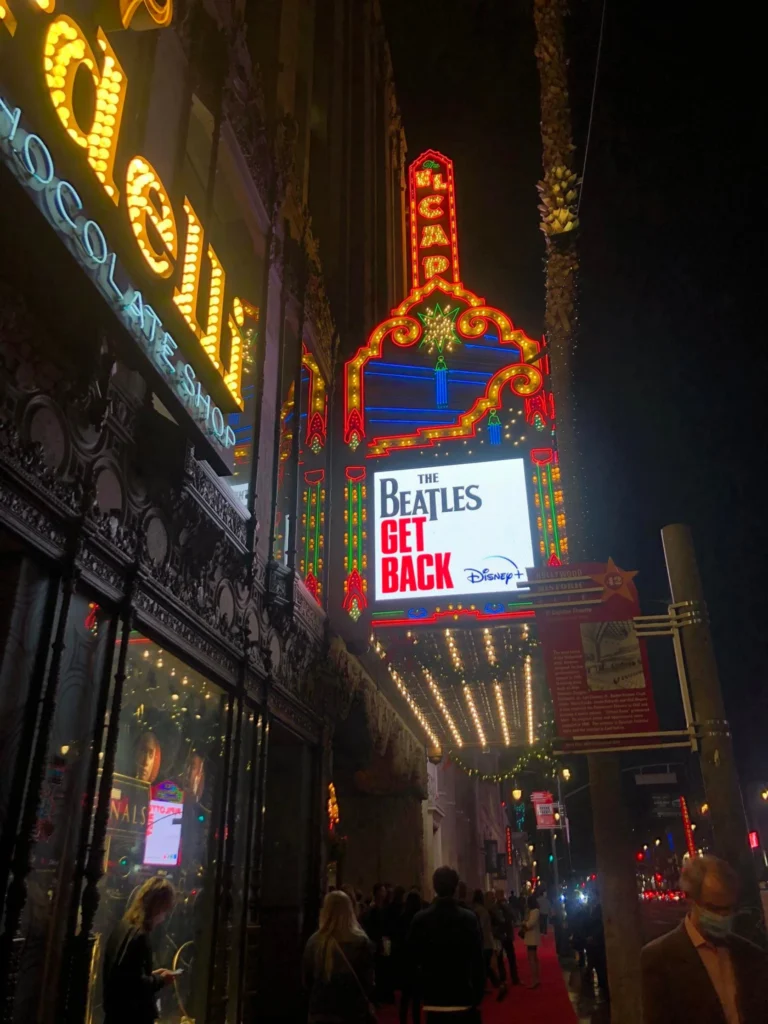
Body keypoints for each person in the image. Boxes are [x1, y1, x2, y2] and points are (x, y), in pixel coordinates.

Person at [640, 855, 768, 1023]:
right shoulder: (659, 958)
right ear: (691, 900)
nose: (723, 916)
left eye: (728, 909)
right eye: (714, 908)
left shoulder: (750, 953)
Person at [407, 866, 485, 1024]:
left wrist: (420, 992)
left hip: (433, 997)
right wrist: (477, 995)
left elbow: (411, 961)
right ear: (455, 888)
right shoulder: (468, 918)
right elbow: (478, 961)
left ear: (435, 887)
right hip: (462, 995)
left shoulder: (420, 919)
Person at [102, 876, 176, 1024]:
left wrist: (150, 975)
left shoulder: (122, 927)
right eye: (164, 912)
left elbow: (124, 973)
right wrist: (161, 979)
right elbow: (134, 986)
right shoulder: (140, 937)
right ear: (158, 908)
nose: (163, 918)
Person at [303, 890, 376, 1024]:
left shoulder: (314, 942)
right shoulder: (361, 942)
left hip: (321, 1011)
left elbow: (307, 980)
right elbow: (368, 982)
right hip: (352, 1011)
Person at [393, 890, 423, 1024]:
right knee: (416, 998)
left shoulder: (401, 918)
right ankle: (416, 1021)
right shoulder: (420, 919)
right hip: (417, 960)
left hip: (404, 960)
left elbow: (397, 939)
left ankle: (403, 1020)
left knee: (405, 996)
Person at [363, 882, 393, 1002]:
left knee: (381, 969)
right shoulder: (373, 909)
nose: (384, 893)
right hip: (375, 942)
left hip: (381, 941)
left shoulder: (381, 908)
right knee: (377, 970)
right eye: (382, 890)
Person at [471, 889, 502, 994]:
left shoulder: (476, 910)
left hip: (482, 941)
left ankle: (492, 983)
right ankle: (494, 982)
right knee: (485, 965)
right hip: (485, 941)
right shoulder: (482, 910)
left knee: (484, 965)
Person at [494, 890, 520, 985]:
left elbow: (512, 916)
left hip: (504, 934)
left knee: (509, 957)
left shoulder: (503, 906)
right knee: (504, 957)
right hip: (501, 934)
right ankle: (506, 977)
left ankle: (510, 977)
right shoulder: (496, 907)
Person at [520, 894, 541, 988]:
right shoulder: (532, 911)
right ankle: (536, 978)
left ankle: (535, 980)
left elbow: (530, 923)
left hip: (532, 937)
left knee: (531, 959)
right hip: (531, 937)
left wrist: (524, 923)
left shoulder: (535, 911)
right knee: (533, 958)